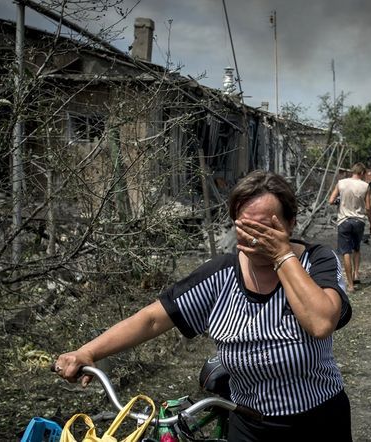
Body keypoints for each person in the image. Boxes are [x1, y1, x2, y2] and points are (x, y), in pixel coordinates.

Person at [54, 171, 353, 442]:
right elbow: (153, 318)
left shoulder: (317, 262)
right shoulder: (221, 275)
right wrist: (88, 352)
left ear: (290, 223)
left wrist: (282, 256)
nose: (254, 239)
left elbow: (320, 323)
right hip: (249, 422)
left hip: (319, 420)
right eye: (245, 228)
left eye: (265, 229)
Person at [329, 163, 371, 292]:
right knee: (356, 248)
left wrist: (340, 201)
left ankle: (350, 285)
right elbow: (368, 208)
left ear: (353, 171)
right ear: (362, 173)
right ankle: (356, 274)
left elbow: (331, 200)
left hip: (344, 221)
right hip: (359, 221)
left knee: (346, 252)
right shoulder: (365, 186)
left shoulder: (341, 183)